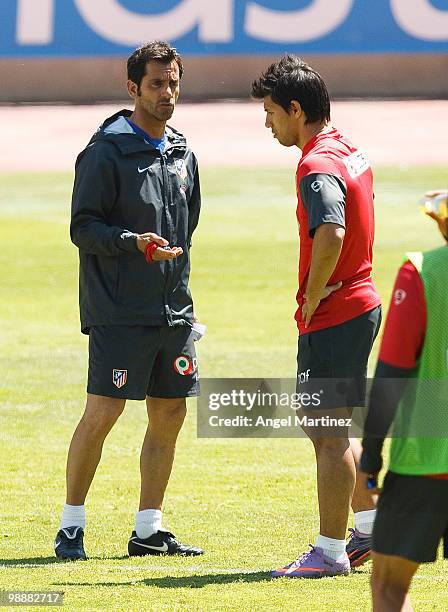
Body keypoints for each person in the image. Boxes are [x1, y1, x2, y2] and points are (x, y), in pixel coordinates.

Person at [54, 41, 203, 560]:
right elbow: (82, 227)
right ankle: (71, 523)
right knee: (105, 410)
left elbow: (190, 222)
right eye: (157, 84)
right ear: (133, 88)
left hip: (174, 309)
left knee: (170, 414)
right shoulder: (105, 150)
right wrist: (131, 243)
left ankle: (148, 527)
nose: (168, 94)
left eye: (174, 82)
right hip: (119, 310)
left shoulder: (182, 150)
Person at [251, 55, 381, 578]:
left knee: (325, 431)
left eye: (271, 112)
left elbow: (332, 229)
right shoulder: (349, 149)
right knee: (336, 426)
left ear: (296, 109)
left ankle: (329, 553)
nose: (268, 123)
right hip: (361, 301)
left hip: (336, 311)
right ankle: (371, 531)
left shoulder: (316, 163)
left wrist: (311, 292)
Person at [361, 190, 448, 611]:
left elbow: (391, 374)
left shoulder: (422, 272)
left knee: (389, 587)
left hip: (425, 464)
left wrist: (371, 459)